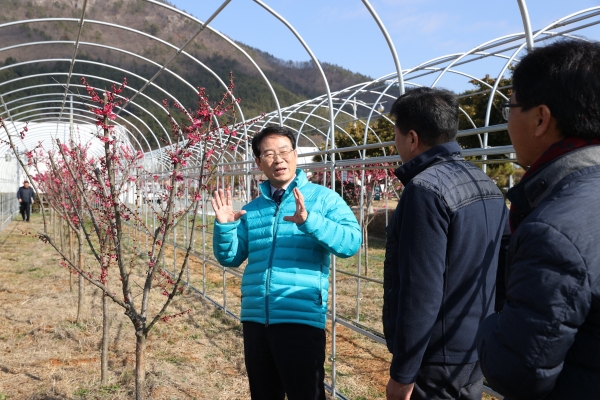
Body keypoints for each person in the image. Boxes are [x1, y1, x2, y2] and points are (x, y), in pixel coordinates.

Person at [477, 39, 600, 399]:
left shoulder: (555, 227)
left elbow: (518, 368)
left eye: (511, 106)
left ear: (541, 118)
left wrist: (488, 325)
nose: (509, 118)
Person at [211, 126, 361, 400]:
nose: (278, 159)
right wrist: (224, 228)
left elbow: (351, 243)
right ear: (258, 162)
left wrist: (310, 221)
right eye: (268, 154)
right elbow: (230, 258)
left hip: (300, 317)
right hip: (256, 320)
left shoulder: (323, 199)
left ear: (294, 155)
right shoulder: (253, 208)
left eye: (284, 152)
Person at [382, 87, 509, 400]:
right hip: (474, 346)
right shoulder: (485, 182)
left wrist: (403, 374)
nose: (394, 143)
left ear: (412, 138)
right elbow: (506, 262)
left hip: (435, 357)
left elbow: (421, 291)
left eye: (396, 135)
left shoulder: (424, 190)